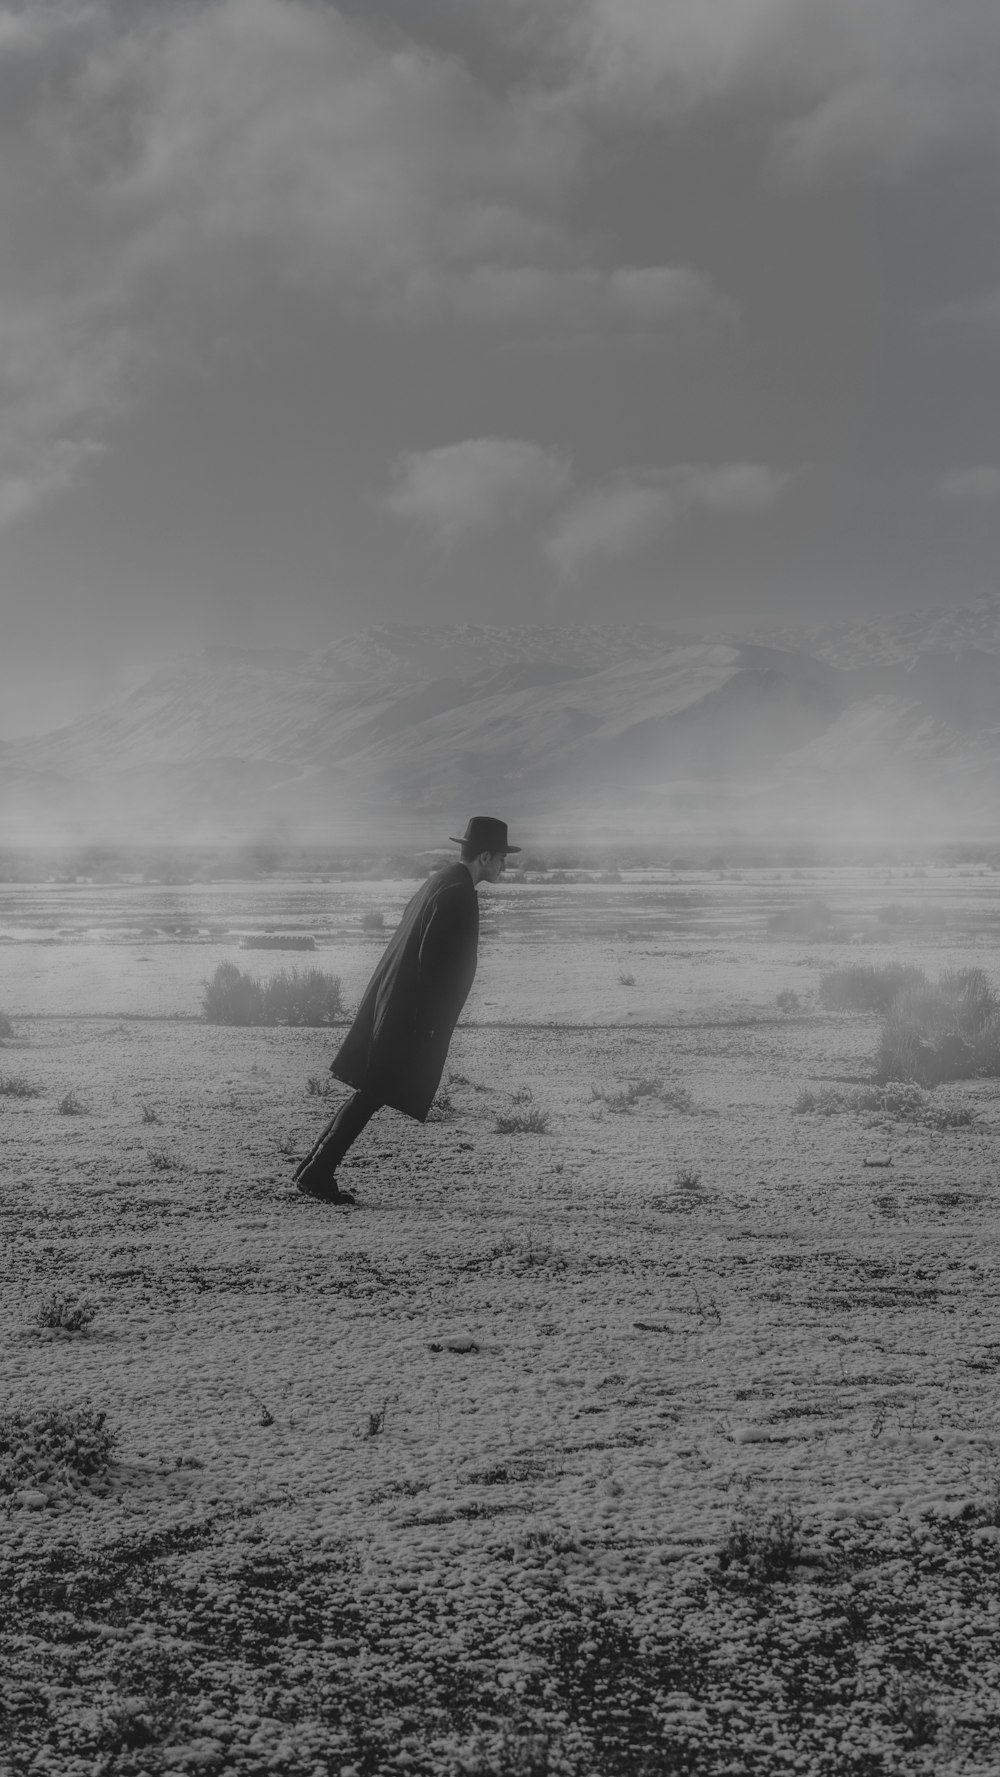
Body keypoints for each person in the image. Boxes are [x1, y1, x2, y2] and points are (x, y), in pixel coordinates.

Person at [293, 815, 520, 1205]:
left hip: (399, 1004)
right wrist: (427, 1023)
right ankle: (317, 1171)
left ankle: (313, 1168)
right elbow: (434, 963)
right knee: (373, 1090)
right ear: (484, 856)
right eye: (501, 857)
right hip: (409, 1012)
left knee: (371, 1089)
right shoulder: (457, 892)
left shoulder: (443, 881)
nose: (504, 865)